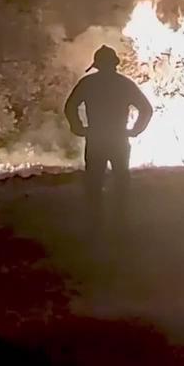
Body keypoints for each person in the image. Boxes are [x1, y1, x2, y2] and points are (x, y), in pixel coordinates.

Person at [64, 46, 153, 229]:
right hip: (118, 138)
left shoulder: (88, 83)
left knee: (94, 181)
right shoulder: (124, 84)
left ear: (97, 65)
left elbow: (70, 106)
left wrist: (78, 127)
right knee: (121, 179)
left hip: (96, 138)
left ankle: (95, 221)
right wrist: (135, 130)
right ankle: (120, 220)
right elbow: (146, 109)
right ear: (114, 64)